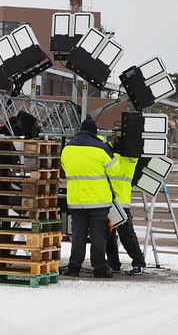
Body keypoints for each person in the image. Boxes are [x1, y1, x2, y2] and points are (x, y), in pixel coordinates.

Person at [60, 117, 121, 278]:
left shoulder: (67, 148)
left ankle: (74, 268)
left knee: (78, 236)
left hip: (76, 201)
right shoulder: (101, 148)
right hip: (98, 202)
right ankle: (100, 268)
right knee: (98, 237)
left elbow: (65, 169)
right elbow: (115, 171)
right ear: (94, 133)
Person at [105, 137, 147, 276]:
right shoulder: (109, 150)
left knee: (126, 234)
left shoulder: (130, 153)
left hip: (121, 201)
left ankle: (139, 262)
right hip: (109, 199)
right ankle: (113, 263)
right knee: (109, 235)